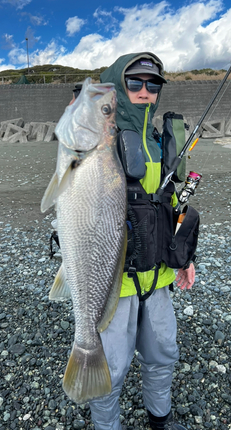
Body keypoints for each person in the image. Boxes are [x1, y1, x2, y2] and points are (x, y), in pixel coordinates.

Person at [87, 52, 196, 430]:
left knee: (163, 353)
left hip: (161, 275)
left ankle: (160, 420)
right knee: (109, 368)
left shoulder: (160, 140)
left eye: (153, 84)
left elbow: (172, 205)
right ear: (119, 86)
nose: (145, 91)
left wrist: (185, 256)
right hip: (114, 281)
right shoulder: (99, 139)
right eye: (135, 82)